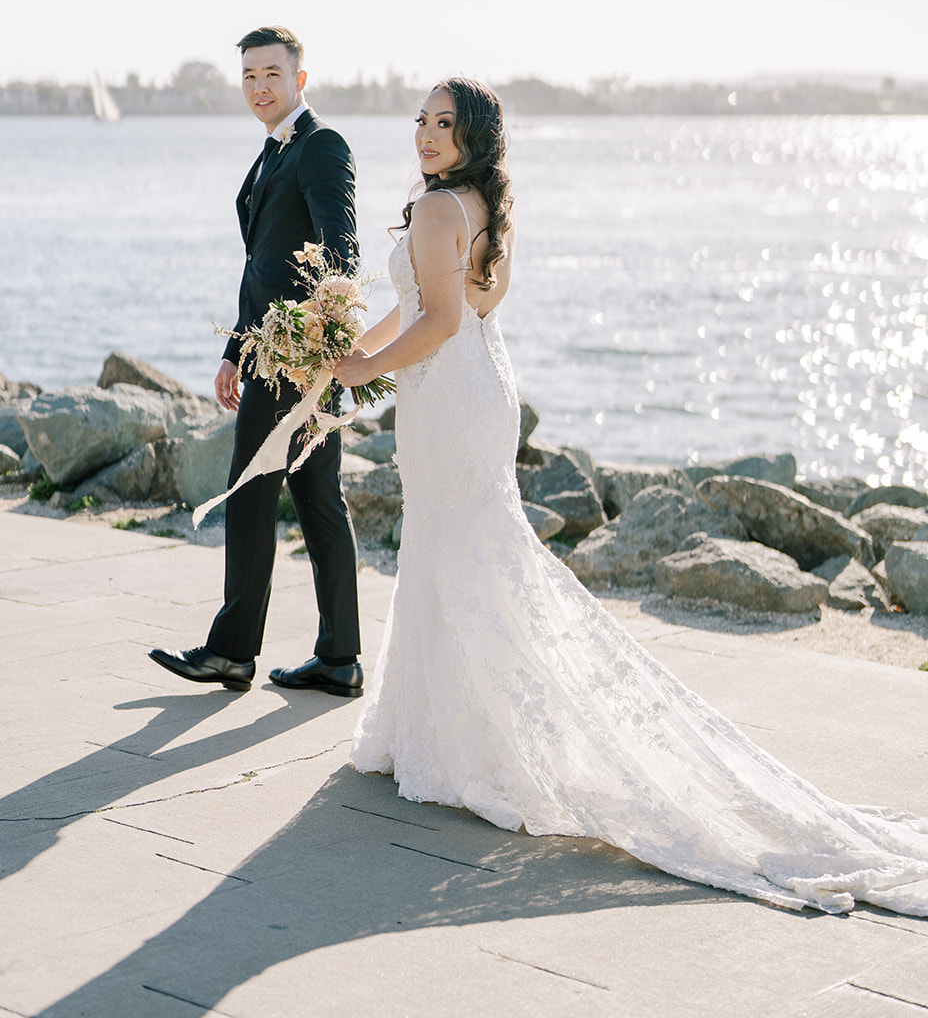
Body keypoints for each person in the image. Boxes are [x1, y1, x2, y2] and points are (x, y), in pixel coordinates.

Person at [331, 77, 928, 916]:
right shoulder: (480, 204)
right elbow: (447, 305)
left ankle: (466, 742)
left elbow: (438, 323)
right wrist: (343, 349)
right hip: (477, 394)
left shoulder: (435, 212)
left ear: (472, 135)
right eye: (421, 121)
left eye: (443, 123)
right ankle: (443, 728)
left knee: (455, 546)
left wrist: (356, 370)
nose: (425, 134)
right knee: (460, 547)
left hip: (448, 394)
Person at [150, 26, 364, 699]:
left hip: (294, 362)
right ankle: (339, 659)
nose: (259, 87)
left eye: (271, 73)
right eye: (248, 76)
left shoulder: (322, 145)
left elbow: (343, 254)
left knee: (249, 499)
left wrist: (308, 348)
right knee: (319, 502)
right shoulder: (273, 152)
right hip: (272, 354)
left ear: (300, 79)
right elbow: (266, 266)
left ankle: (232, 652)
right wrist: (233, 351)